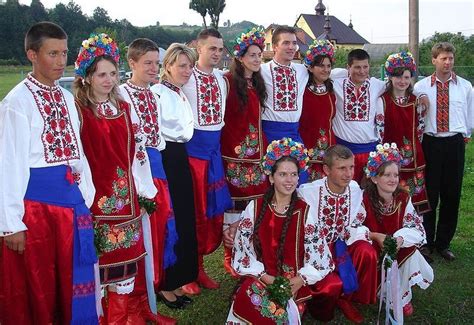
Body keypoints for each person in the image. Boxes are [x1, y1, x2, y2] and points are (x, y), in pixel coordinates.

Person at [0, 22, 98, 325]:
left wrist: (85, 194)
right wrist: (10, 223)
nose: (60, 61)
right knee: (41, 285)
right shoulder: (16, 102)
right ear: (32, 54)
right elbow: (8, 162)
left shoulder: (67, 98)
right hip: (37, 209)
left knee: (73, 281)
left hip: (70, 203)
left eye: (64, 53)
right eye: (52, 53)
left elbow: (77, 151)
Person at [74, 33, 157, 323]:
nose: (108, 80)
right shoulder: (80, 112)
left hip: (127, 202)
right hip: (95, 203)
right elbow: (78, 160)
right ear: (87, 77)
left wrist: (144, 191)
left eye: (112, 73)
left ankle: (120, 319)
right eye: (101, 75)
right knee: (98, 275)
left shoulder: (123, 108)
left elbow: (138, 152)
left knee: (125, 273)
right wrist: (83, 198)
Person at [226, 138, 333, 324]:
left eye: (293, 174)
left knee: (277, 312)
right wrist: (265, 278)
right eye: (283, 174)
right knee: (248, 296)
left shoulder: (305, 212)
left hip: (293, 286)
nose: (289, 180)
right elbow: (243, 252)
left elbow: (319, 258)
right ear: (271, 177)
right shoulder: (255, 207)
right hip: (261, 279)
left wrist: (300, 280)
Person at [119, 38, 178, 324]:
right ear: (131, 63)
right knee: (140, 239)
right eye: (148, 63)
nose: (155, 68)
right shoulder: (121, 95)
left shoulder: (154, 94)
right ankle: (132, 308)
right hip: (137, 174)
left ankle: (147, 304)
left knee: (158, 235)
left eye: (157, 63)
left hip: (158, 170)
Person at [298, 145, 378, 324]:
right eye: (342, 168)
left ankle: (346, 298)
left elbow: (355, 224)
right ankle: (309, 300)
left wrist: (364, 235)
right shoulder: (309, 192)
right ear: (326, 170)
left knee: (367, 252)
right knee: (329, 287)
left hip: (341, 245)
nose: (348, 174)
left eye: (351, 167)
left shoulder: (355, 189)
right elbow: (304, 234)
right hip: (313, 250)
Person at [181, 28, 232, 293]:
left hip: (214, 155)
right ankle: (190, 270)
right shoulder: (186, 78)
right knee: (193, 214)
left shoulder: (222, 81)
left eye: (220, 48)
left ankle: (200, 267)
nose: (216, 53)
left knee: (212, 214)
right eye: (211, 48)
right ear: (198, 48)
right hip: (192, 156)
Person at [414, 42, 473, 261]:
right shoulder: (421, 86)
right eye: (443, 58)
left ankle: (444, 243)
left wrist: (464, 136)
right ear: (434, 60)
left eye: (450, 58)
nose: (447, 62)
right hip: (431, 143)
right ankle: (426, 243)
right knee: (430, 194)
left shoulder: (465, 86)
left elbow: (470, 115)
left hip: (454, 144)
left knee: (452, 195)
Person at [150, 43, 199, 309]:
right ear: (167, 65)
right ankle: (167, 285)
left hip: (180, 156)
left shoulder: (178, 93)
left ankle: (179, 280)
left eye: (190, 66)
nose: (187, 70)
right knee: (172, 220)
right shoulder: (157, 93)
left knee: (183, 219)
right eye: (182, 65)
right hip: (166, 157)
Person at [362, 143, 433, 317]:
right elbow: (354, 228)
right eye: (387, 175)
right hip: (374, 248)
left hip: (395, 248)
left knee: (411, 250)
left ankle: (400, 297)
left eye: (396, 175)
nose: (393, 179)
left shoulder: (402, 197)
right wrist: (374, 235)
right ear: (374, 178)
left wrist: (401, 238)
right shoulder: (364, 199)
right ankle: (382, 292)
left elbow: (416, 228)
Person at [221, 27, 269, 277]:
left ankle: (249, 249)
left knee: (254, 205)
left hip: (257, 154)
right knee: (234, 206)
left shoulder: (258, 83)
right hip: (234, 154)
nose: (257, 59)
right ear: (240, 57)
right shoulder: (228, 81)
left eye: (259, 55)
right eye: (252, 55)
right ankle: (230, 254)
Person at [378, 51, 431, 215]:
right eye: (398, 77)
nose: (402, 81)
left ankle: (415, 237)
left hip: (414, 158)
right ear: (390, 77)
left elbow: (420, 130)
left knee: (414, 202)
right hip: (390, 159)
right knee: (391, 200)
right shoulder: (383, 101)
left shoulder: (417, 102)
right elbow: (379, 131)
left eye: (407, 77)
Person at [299, 39, 337, 182]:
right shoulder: (302, 91)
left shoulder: (331, 91)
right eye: (321, 66)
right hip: (306, 147)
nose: (326, 70)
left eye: (328, 66)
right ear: (310, 67)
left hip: (329, 148)